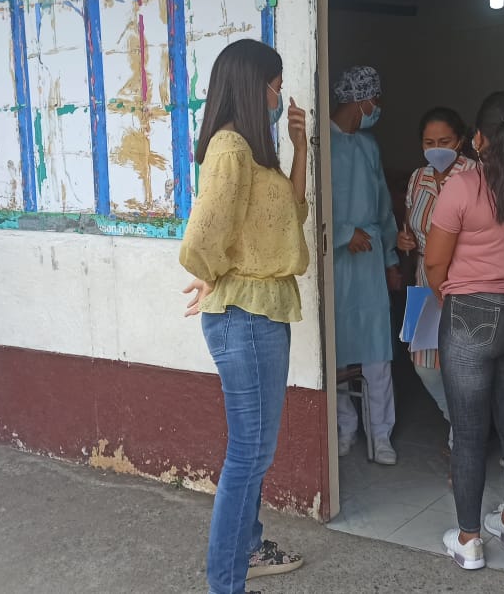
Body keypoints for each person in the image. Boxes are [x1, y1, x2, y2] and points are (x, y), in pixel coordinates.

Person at [178, 40, 309, 594]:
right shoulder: (230, 148)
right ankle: (225, 582)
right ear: (257, 87)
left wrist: (301, 149)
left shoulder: (253, 151)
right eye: (276, 86)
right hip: (245, 318)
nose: (280, 96)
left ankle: (249, 548)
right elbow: (203, 234)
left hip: (262, 313)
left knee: (255, 453)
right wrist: (211, 274)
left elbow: (291, 217)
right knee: (249, 455)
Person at [424, 92, 504, 570]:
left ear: (477, 137)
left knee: (470, 432)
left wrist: (451, 298)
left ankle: (469, 539)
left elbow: (434, 262)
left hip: (470, 315)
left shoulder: (461, 187)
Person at [330, 66, 402, 466]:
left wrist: (390, 259)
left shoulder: (369, 146)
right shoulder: (322, 144)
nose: (378, 107)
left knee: (377, 348)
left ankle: (381, 434)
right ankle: (346, 428)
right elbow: (314, 206)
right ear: (360, 99)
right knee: (338, 349)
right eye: (375, 99)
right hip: (338, 260)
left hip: (371, 257)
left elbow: (383, 206)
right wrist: (345, 234)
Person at [396, 107, 477, 452]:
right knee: (425, 366)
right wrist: (404, 240)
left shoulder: (475, 174)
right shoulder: (418, 177)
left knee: (464, 365)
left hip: (465, 282)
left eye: (444, 141)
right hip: (424, 282)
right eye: (429, 143)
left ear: (460, 140)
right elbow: (410, 225)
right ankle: (458, 421)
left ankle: (462, 441)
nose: (437, 148)